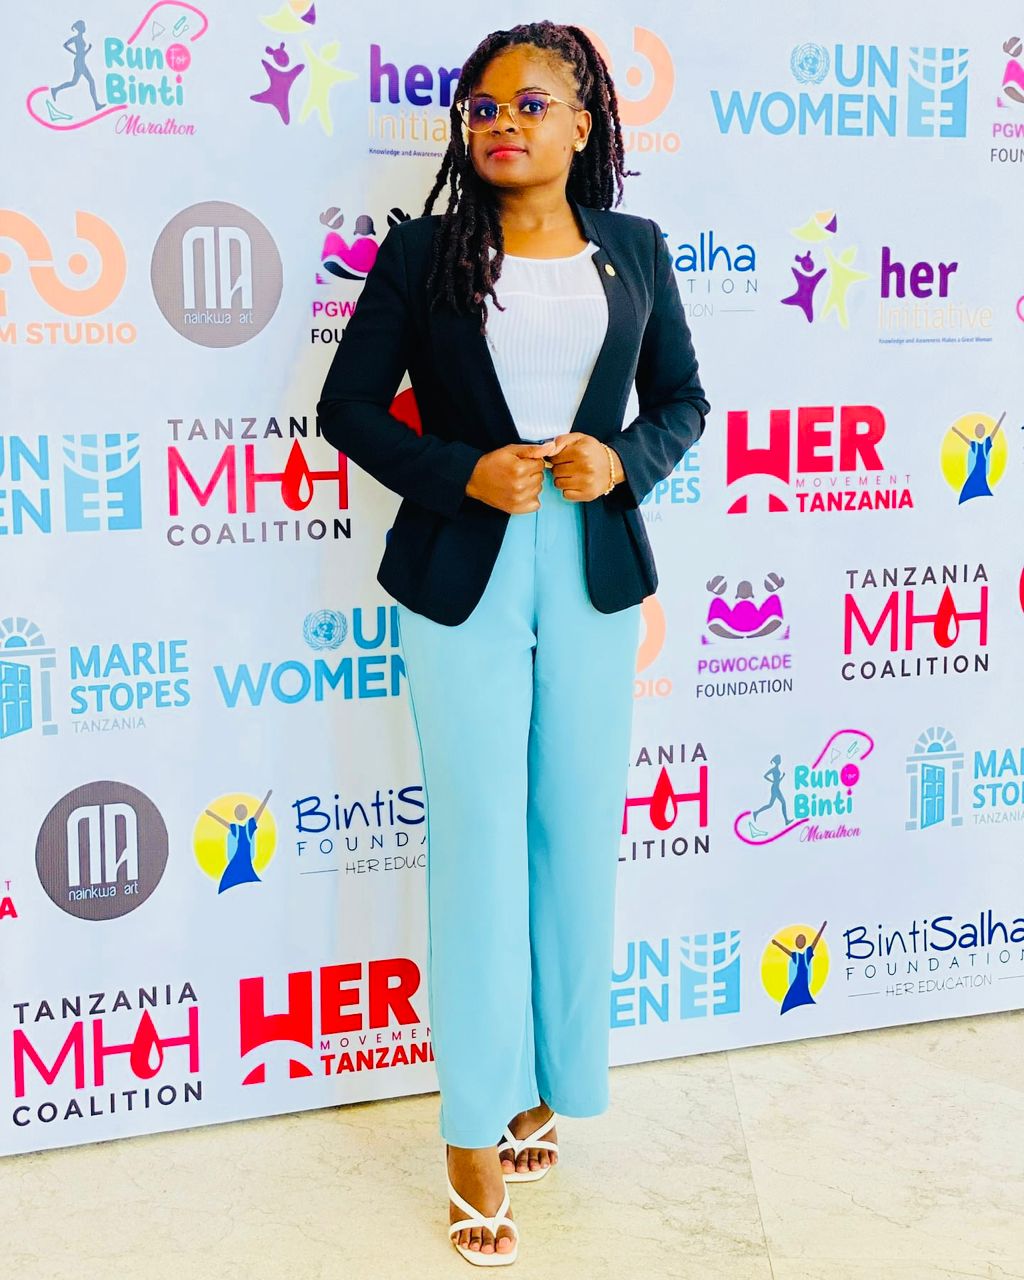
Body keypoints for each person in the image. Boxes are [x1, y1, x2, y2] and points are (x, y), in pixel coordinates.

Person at [316, 20, 708, 1267]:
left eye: (530, 104)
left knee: (573, 832)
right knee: (481, 840)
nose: (501, 125)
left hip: (593, 573)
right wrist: (460, 471)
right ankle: (471, 1126)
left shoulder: (635, 249)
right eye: (482, 108)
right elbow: (346, 409)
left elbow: (684, 399)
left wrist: (623, 459)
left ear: (583, 123)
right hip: (460, 573)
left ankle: (551, 1078)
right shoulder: (421, 252)